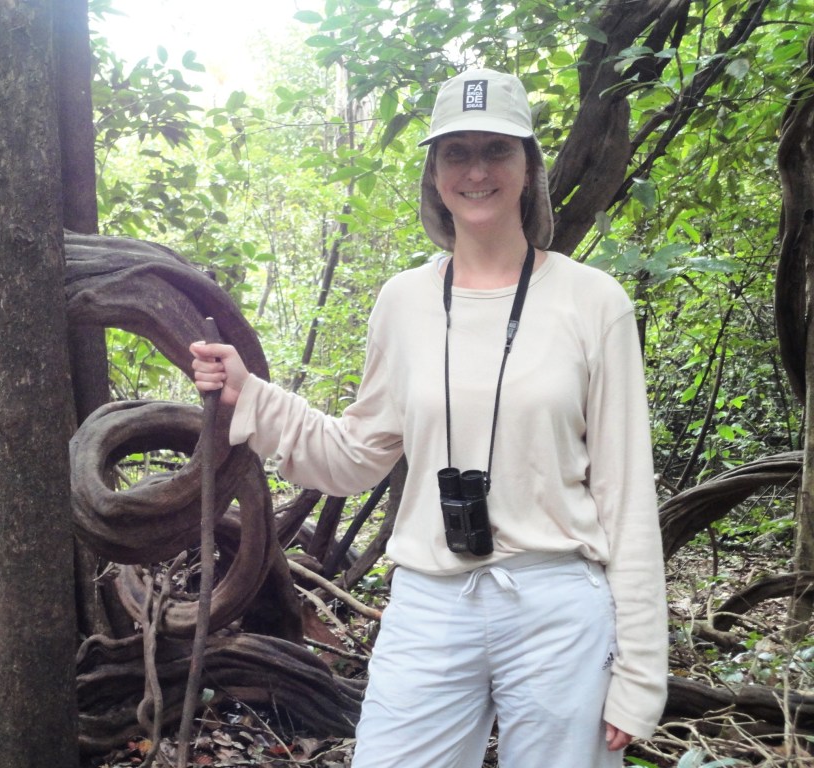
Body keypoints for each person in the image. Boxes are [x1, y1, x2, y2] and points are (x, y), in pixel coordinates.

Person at [190, 68, 668, 768]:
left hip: (557, 604)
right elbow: (356, 454)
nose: (477, 170)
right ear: (435, 174)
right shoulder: (404, 301)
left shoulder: (593, 302)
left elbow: (626, 499)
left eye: (497, 150)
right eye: (457, 152)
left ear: (529, 167)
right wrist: (251, 396)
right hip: (431, 598)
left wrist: (640, 674)